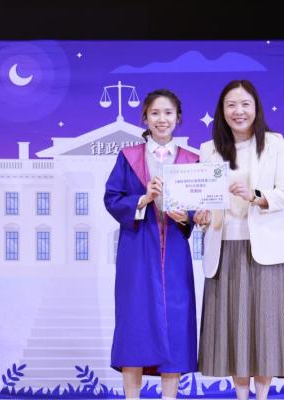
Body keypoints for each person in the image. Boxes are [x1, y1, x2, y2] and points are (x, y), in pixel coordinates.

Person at [194, 80, 284, 400]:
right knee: (233, 329)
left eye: (245, 104)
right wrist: (201, 216)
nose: (238, 111)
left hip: (265, 249)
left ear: (256, 108)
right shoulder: (208, 149)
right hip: (224, 247)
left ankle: (262, 396)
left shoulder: (274, 143)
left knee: (265, 328)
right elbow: (204, 198)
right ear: (222, 111)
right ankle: (240, 396)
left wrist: (254, 195)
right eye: (231, 105)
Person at [104, 89, 198, 400]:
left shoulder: (191, 160)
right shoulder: (129, 156)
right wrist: (143, 199)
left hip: (174, 250)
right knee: (135, 320)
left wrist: (186, 216)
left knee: (175, 321)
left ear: (178, 118)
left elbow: (197, 209)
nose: (162, 119)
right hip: (137, 248)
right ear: (145, 118)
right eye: (155, 113)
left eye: (168, 113)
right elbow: (112, 198)